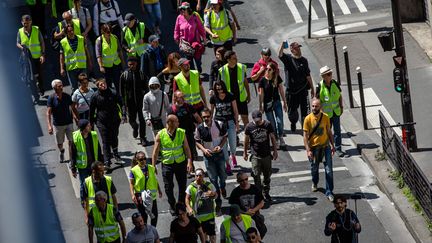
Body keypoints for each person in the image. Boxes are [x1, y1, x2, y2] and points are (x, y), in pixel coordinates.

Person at [151, 114, 193, 213]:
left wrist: (189, 161)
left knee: (182, 185)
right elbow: (155, 152)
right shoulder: (160, 134)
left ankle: (181, 204)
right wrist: (153, 166)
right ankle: (172, 204)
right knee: (168, 187)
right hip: (167, 164)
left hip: (180, 163)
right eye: (176, 121)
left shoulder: (181, 132)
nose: (178, 123)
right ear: (170, 123)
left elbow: (186, 148)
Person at [194, 108, 227, 212]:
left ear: (211, 115)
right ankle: (218, 202)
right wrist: (204, 150)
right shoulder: (199, 128)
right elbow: (197, 141)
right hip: (208, 157)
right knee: (213, 180)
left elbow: (225, 137)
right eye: (204, 117)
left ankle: (223, 186)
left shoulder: (219, 124)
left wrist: (220, 146)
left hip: (219, 154)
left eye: (208, 116)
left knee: (222, 175)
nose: (206, 118)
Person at [303, 98, 335, 201]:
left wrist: (332, 145)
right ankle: (315, 182)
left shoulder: (325, 117)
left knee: (329, 171)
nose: (314, 108)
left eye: (316, 106)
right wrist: (308, 150)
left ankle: (329, 192)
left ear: (320, 107)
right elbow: (305, 136)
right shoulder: (307, 119)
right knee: (314, 169)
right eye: (312, 106)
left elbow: (329, 131)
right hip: (314, 149)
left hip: (325, 147)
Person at [278, 41, 315, 132]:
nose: (298, 49)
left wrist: (313, 89)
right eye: (296, 48)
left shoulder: (304, 60)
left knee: (305, 112)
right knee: (292, 113)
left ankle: (305, 129)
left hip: (303, 90)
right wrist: (282, 45)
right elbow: (280, 54)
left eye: (299, 47)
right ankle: (293, 122)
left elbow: (308, 76)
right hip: (292, 92)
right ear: (292, 50)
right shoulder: (288, 59)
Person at [89, 78, 126, 168]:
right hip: (101, 122)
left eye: (104, 83)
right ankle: (107, 162)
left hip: (114, 120)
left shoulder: (113, 93)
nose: (103, 85)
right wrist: (91, 123)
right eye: (101, 85)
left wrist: (124, 115)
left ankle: (116, 155)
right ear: (98, 87)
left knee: (114, 137)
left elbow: (122, 103)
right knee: (105, 141)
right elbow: (92, 110)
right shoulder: (95, 96)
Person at [243, 110, 278, 203]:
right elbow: (246, 140)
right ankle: (259, 194)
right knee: (256, 176)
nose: (257, 122)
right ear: (253, 119)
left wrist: (275, 151)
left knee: (267, 175)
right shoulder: (249, 127)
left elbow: (272, 138)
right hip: (255, 156)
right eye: (256, 120)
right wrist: (245, 152)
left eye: (259, 120)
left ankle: (266, 192)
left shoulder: (267, 125)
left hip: (266, 155)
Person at [120, 56, 150, 146]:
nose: (131, 66)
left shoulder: (141, 74)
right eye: (129, 64)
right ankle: (135, 127)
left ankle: (143, 137)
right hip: (130, 102)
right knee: (132, 120)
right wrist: (123, 103)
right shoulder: (124, 75)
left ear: (136, 64)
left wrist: (146, 100)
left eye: (133, 64)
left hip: (141, 102)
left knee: (142, 120)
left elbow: (146, 88)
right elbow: (122, 91)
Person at [209, 81, 239, 174]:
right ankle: (227, 164)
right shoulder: (214, 98)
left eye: (221, 88)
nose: (220, 90)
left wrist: (237, 123)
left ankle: (233, 155)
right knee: (223, 145)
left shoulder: (230, 95)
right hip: (219, 123)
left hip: (230, 122)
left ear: (224, 87)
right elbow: (211, 111)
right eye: (217, 89)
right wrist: (210, 123)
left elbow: (235, 110)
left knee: (233, 143)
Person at [46, 79, 78, 163]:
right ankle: (62, 151)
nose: (61, 87)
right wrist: (49, 126)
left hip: (68, 123)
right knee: (60, 143)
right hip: (58, 125)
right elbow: (48, 113)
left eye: (61, 85)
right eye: (59, 86)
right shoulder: (51, 98)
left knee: (71, 141)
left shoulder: (67, 96)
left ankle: (72, 158)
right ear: (54, 88)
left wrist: (76, 118)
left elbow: (73, 108)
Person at [316, 66, 344, 157]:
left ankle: (338, 148)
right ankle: (327, 148)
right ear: (323, 76)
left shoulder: (335, 83)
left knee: (337, 131)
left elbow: (339, 96)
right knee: (327, 131)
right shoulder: (320, 86)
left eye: (330, 73)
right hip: (326, 114)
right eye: (328, 74)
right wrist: (319, 113)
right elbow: (317, 101)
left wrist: (341, 106)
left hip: (336, 112)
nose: (330, 75)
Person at [219, 50, 251, 129]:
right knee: (232, 119)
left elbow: (245, 82)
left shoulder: (241, 67)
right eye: (234, 58)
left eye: (236, 57)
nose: (236, 59)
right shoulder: (222, 70)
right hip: (230, 99)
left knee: (245, 118)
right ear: (228, 60)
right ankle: (235, 136)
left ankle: (248, 135)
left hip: (241, 98)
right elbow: (219, 86)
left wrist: (248, 94)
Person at [17, 14, 45, 102]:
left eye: (28, 23)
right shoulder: (20, 31)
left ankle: (41, 88)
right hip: (27, 58)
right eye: (24, 23)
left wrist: (42, 54)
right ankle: (35, 96)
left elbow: (42, 42)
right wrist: (22, 48)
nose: (26, 25)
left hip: (37, 57)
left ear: (31, 22)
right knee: (30, 77)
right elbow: (17, 43)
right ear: (22, 23)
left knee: (39, 75)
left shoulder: (36, 29)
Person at [129, 151, 162, 226]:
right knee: (143, 216)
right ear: (137, 160)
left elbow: (154, 179)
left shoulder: (151, 168)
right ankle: (145, 230)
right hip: (140, 197)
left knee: (154, 215)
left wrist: (159, 190)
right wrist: (132, 195)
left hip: (151, 196)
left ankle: (153, 230)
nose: (143, 161)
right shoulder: (133, 171)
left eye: (144, 159)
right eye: (141, 159)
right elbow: (131, 183)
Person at [258, 62, 287, 148]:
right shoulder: (262, 80)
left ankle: (281, 137)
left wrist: (284, 103)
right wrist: (261, 105)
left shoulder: (277, 78)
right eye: (266, 68)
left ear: (273, 70)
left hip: (277, 102)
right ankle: (276, 140)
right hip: (267, 104)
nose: (267, 70)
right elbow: (261, 94)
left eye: (269, 69)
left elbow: (281, 91)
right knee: (272, 124)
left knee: (280, 121)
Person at [229, 172, 266, 238]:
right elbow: (233, 207)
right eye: (242, 180)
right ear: (238, 181)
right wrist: (245, 212)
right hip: (242, 218)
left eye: (246, 179)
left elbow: (262, 202)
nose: (245, 181)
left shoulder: (254, 188)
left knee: (261, 232)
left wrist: (253, 211)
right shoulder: (235, 192)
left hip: (255, 216)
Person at [185, 168, 218, 243]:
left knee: (212, 235)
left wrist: (213, 194)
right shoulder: (191, 187)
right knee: (203, 235)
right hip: (198, 217)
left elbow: (216, 196)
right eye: (197, 175)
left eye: (200, 175)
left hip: (210, 215)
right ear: (195, 176)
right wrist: (189, 208)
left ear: (203, 175)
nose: (198, 177)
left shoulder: (209, 185)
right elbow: (187, 199)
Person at [168, 90, 202, 159]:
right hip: (178, 134)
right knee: (182, 152)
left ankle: (191, 167)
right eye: (180, 97)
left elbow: (197, 117)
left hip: (189, 133)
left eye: (183, 96)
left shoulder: (188, 106)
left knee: (191, 151)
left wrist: (202, 127)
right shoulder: (172, 109)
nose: (183, 98)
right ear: (175, 98)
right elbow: (169, 123)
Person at [174, 2, 206, 73]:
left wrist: (204, 37)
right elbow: (176, 29)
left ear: (188, 9)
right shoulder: (179, 18)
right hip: (186, 45)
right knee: (189, 61)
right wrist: (176, 38)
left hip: (196, 43)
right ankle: (194, 73)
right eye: (181, 9)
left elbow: (201, 27)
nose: (182, 11)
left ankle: (199, 68)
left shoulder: (195, 17)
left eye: (184, 9)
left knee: (198, 60)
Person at [70, 119, 103, 187]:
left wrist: (101, 163)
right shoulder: (76, 138)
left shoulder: (93, 135)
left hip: (93, 165)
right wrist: (73, 168)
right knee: (84, 184)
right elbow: (72, 154)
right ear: (83, 128)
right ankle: (84, 197)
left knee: (96, 183)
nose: (90, 126)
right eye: (88, 126)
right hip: (83, 167)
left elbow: (98, 150)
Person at [59, 23, 92, 91]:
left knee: (84, 85)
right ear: (66, 32)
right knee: (74, 88)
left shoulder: (81, 38)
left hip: (81, 66)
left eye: (72, 30)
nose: (71, 32)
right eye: (69, 31)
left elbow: (86, 51)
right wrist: (62, 68)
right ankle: (76, 101)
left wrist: (89, 62)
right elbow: (61, 56)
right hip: (71, 68)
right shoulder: (63, 42)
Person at [95, 23, 125, 94]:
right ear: (103, 31)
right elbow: (98, 55)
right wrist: (101, 66)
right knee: (108, 85)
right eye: (108, 32)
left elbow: (119, 50)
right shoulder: (99, 40)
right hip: (106, 66)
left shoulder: (114, 37)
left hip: (116, 64)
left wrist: (123, 61)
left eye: (111, 31)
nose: (109, 33)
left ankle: (120, 99)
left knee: (118, 83)